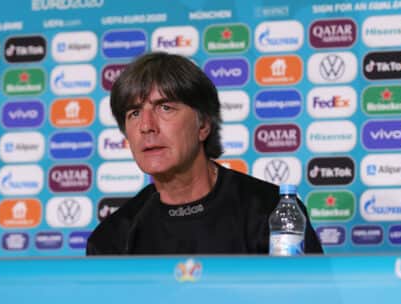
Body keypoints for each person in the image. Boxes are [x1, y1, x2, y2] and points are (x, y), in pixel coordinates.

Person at [86, 52, 323, 255]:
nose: (146, 126)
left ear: (203, 125)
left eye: (165, 108)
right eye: (134, 113)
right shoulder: (113, 239)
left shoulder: (272, 213)